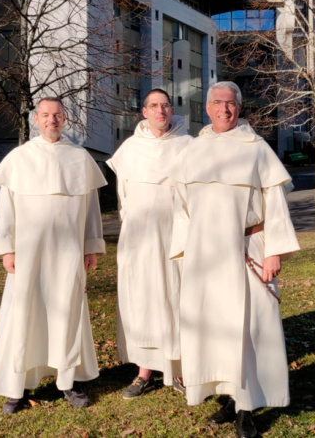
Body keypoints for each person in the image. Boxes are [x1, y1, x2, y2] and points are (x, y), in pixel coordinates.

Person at [169, 81, 300, 438]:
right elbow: (179, 208)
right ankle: (228, 394)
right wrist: (183, 251)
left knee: (249, 329)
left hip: (247, 251)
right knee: (215, 327)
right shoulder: (192, 151)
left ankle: (246, 408)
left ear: (239, 109)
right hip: (204, 257)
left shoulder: (256, 149)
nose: (224, 109)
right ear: (207, 108)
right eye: (217, 103)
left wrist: (273, 250)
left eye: (231, 103)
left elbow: (274, 204)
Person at [0, 97, 107, 413]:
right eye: (45, 115)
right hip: (29, 254)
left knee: (68, 313)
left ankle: (68, 381)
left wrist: (91, 247)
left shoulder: (79, 158)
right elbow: (5, 209)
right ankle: (19, 385)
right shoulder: (19, 158)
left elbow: (91, 209)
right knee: (24, 313)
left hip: (68, 254)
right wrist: (7, 248)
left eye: (57, 115)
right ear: (36, 120)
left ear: (65, 119)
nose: (51, 120)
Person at [106, 88, 192, 399]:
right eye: (154, 106)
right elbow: (123, 197)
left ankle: (180, 369)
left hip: (176, 239)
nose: (160, 111)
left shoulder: (189, 146)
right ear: (144, 112)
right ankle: (144, 372)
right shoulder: (130, 149)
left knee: (175, 299)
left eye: (165, 105)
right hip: (138, 240)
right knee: (141, 301)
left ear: (172, 110)